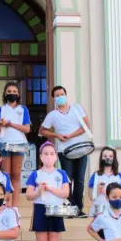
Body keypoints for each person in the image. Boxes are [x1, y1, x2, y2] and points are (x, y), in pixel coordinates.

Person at [39, 85, 91, 217]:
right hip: (64, 151)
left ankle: (79, 208)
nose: (60, 97)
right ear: (53, 99)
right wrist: (56, 135)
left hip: (81, 148)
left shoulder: (77, 108)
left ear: (66, 95)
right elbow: (42, 130)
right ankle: (70, 207)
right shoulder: (52, 115)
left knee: (79, 180)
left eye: (62, 94)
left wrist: (71, 136)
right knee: (67, 180)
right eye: (57, 95)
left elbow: (86, 126)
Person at [25, 142, 71, 241]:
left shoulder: (61, 174)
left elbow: (66, 193)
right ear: (40, 156)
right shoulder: (35, 174)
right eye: (45, 153)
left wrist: (50, 189)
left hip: (56, 209)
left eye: (51, 153)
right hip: (40, 209)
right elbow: (28, 195)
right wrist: (39, 190)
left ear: (56, 156)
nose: (49, 156)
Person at [0, 82, 32, 207]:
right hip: (4, 143)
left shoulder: (23, 110)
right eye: (9, 92)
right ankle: (6, 204)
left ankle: (15, 206)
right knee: (6, 174)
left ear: (18, 94)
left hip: (19, 143)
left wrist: (10, 124)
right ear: (5, 94)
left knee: (16, 174)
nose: (12, 94)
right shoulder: (0, 110)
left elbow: (27, 129)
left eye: (14, 92)